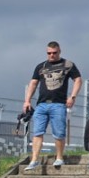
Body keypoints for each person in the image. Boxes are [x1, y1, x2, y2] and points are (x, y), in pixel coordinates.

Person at [23, 41, 82, 171]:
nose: (52, 55)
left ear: (59, 51)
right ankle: (34, 160)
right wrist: (27, 100)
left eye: (54, 53)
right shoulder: (41, 66)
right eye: (49, 53)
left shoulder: (68, 65)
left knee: (59, 132)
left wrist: (72, 96)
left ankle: (59, 157)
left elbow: (78, 80)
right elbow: (33, 83)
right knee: (37, 132)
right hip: (41, 104)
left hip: (58, 104)